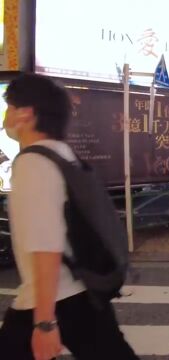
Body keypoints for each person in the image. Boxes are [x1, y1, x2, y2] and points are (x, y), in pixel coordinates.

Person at [0, 74, 138, 359]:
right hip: (78, 289)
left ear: (25, 113)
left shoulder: (32, 164)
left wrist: (46, 323)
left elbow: (47, 245)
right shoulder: (62, 154)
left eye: (9, 106)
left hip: (55, 298)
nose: (6, 114)